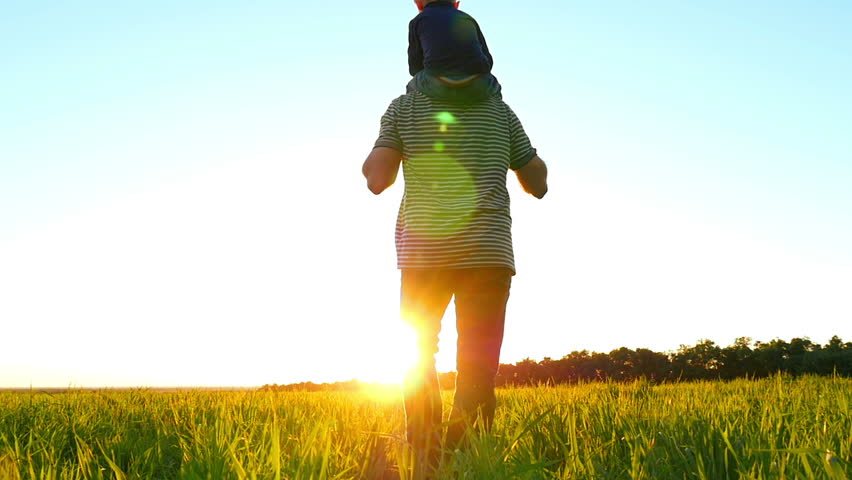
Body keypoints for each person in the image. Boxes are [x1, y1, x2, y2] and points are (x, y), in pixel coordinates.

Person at [361, 78, 548, 474]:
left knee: (417, 356)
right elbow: (539, 184)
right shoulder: (499, 111)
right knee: (478, 365)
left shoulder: (403, 109)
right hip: (489, 254)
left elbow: (378, 180)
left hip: (425, 254)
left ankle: (428, 462)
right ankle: (467, 464)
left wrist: (379, 152)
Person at [407, 0, 502, 104]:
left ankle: (418, 111)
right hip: (477, 83)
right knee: (494, 85)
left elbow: (415, 67)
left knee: (412, 86)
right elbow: (488, 60)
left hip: (438, 84)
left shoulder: (418, 21)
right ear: (456, 5)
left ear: (418, 3)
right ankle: (495, 108)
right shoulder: (467, 19)